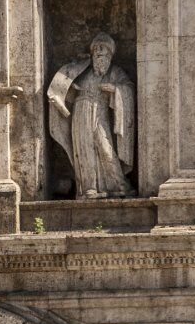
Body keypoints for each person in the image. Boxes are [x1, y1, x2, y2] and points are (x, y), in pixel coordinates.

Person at [46, 31, 136, 199]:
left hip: (99, 110)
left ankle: (120, 184)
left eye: (103, 50)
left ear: (109, 54)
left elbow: (128, 88)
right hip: (80, 113)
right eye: (96, 50)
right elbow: (67, 86)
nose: (98, 52)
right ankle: (89, 187)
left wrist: (115, 89)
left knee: (105, 147)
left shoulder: (114, 72)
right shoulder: (84, 72)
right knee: (84, 148)